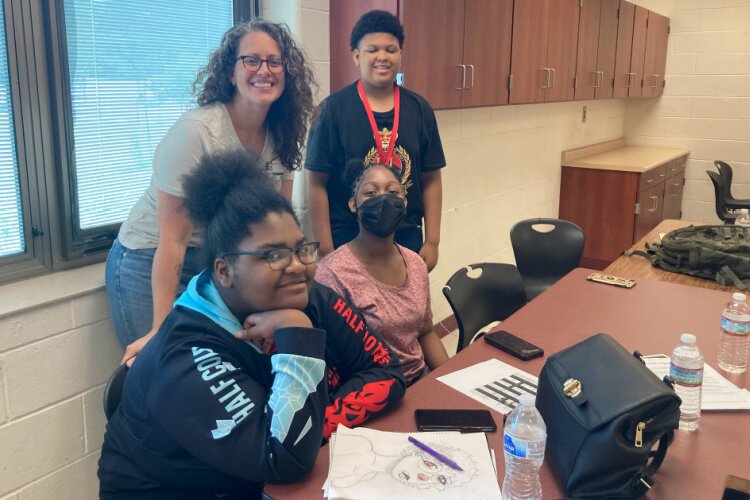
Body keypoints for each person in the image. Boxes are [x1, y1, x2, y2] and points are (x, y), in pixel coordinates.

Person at [98, 149, 405, 499]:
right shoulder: (186, 353)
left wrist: (321, 419)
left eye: (302, 249)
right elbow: (284, 457)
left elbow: (386, 370)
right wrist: (299, 335)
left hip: (253, 481)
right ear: (225, 271)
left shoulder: (306, 295)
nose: (296, 266)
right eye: (272, 255)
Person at [105, 18, 316, 364]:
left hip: (216, 260)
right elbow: (172, 240)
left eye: (275, 61)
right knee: (163, 364)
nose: (264, 69)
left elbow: (279, 228)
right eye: (251, 60)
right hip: (149, 256)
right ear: (230, 73)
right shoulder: (197, 133)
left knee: (218, 366)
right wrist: (161, 326)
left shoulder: (285, 135)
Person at [305, 9, 445, 271]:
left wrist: (433, 241)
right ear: (356, 56)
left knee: (406, 307)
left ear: (401, 55)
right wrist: (325, 249)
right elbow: (316, 183)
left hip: (406, 234)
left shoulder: (420, 109)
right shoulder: (331, 111)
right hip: (348, 236)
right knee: (349, 312)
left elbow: (431, 178)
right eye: (372, 49)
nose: (382, 57)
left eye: (391, 49)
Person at [315, 160, 448, 386]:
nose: (382, 198)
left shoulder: (415, 263)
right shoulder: (332, 274)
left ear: (404, 203)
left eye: (393, 191)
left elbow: (426, 333)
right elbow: (333, 362)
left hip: (419, 378)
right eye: (370, 192)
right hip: (372, 393)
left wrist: (450, 381)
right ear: (353, 204)